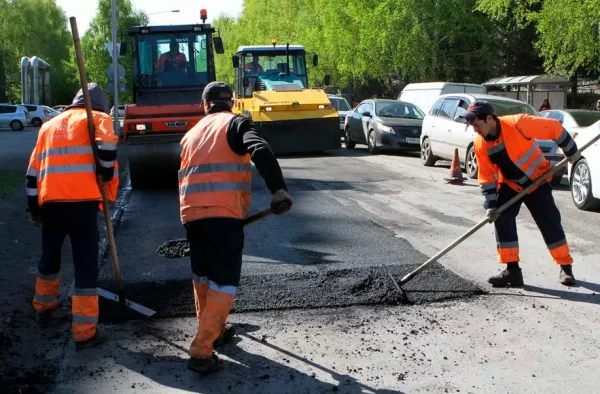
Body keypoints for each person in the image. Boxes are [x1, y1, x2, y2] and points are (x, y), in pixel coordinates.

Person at [178, 81, 292, 374]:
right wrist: (278, 189)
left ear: (204, 105)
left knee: (202, 275)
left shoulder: (190, 134)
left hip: (191, 213)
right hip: (224, 214)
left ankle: (215, 328)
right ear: (232, 103)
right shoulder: (236, 123)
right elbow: (260, 149)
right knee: (224, 280)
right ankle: (202, 351)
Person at [26, 83, 120, 349]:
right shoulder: (98, 119)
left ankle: (43, 309)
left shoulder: (48, 126)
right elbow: (108, 149)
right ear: (99, 105)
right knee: (85, 264)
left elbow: (32, 174)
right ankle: (84, 332)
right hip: (82, 205)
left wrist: (34, 209)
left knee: (50, 256)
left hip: (51, 205)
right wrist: (106, 173)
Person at [460, 100, 579, 287]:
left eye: (476, 124)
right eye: (472, 126)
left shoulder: (518, 123)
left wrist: (571, 151)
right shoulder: (480, 144)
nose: (475, 129)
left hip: (537, 181)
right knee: (501, 217)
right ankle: (512, 271)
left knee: (549, 223)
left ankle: (565, 267)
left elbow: (554, 128)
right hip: (511, 184)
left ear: (490, 118)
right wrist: (490, 205)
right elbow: (486, 176)